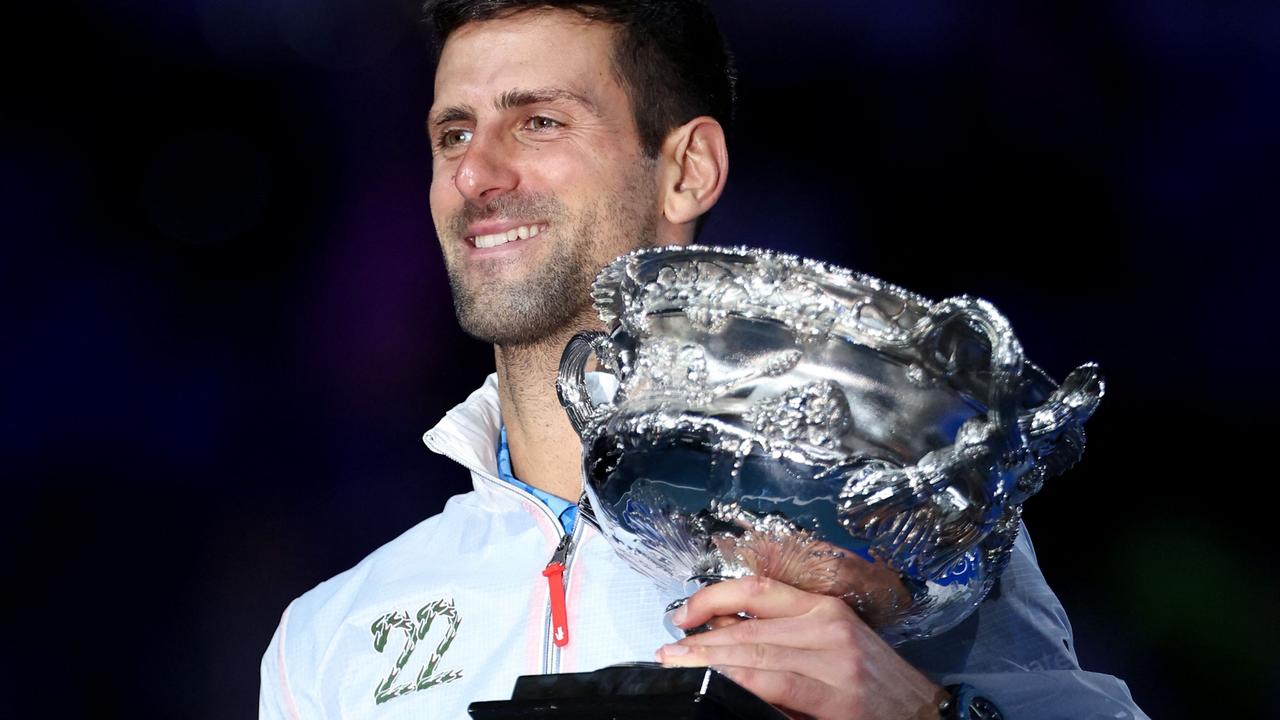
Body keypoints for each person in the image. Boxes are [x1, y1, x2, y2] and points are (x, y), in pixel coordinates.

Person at [259, 2, 1148, 718]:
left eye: (537, 121)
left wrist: (917, 718)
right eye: (452, 134)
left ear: (687, 170)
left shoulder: (877, 529)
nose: (476, 174)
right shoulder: (331, 637)